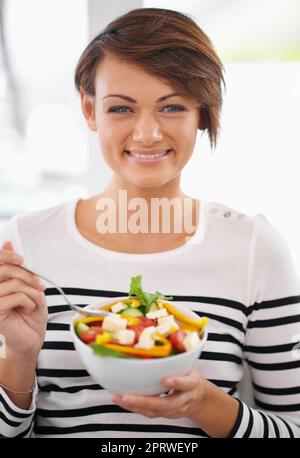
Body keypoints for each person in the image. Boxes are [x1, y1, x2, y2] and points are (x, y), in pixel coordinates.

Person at [0, 7, 299, 439]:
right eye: (121, 109)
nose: (146, 134)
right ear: (90, 110)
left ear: (203, 112)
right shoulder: (24, 246)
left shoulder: (256, 249)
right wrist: (20, 357)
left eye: (172, 106)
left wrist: (205, 404)